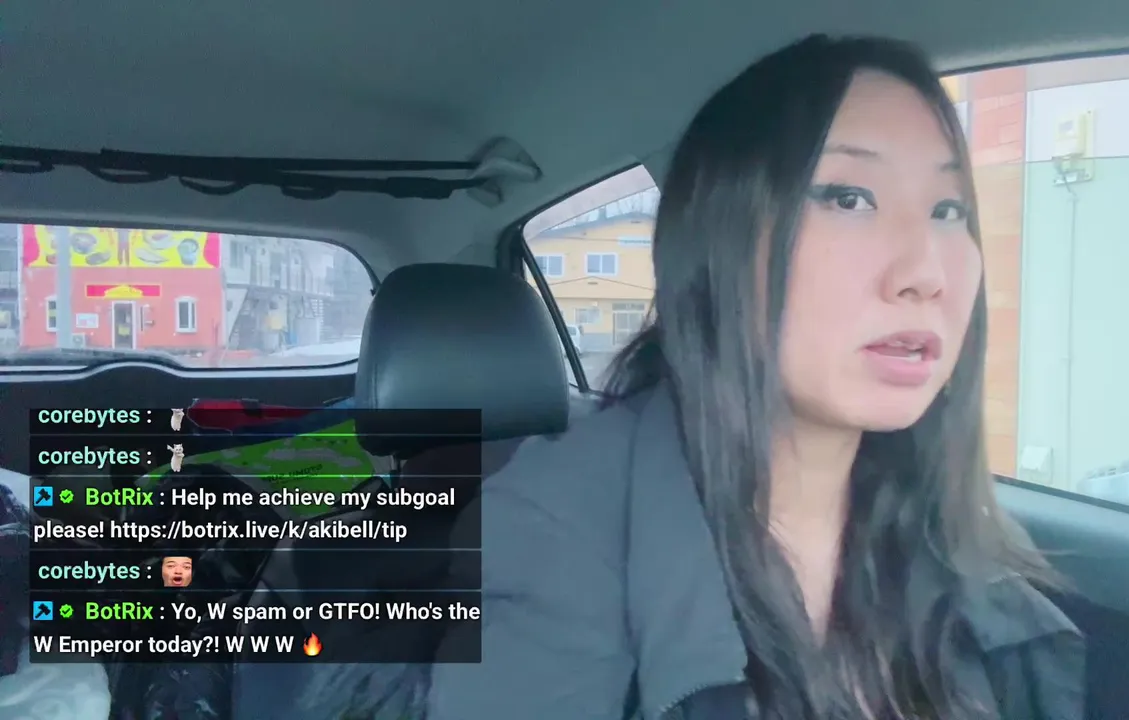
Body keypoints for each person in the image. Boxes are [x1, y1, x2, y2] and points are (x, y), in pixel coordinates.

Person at [311, 34, 1086, 719]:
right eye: (849, 197)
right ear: (720, 243)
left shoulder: (957, 541)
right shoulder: (552, 529)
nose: (926, 272)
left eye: (949, 209)